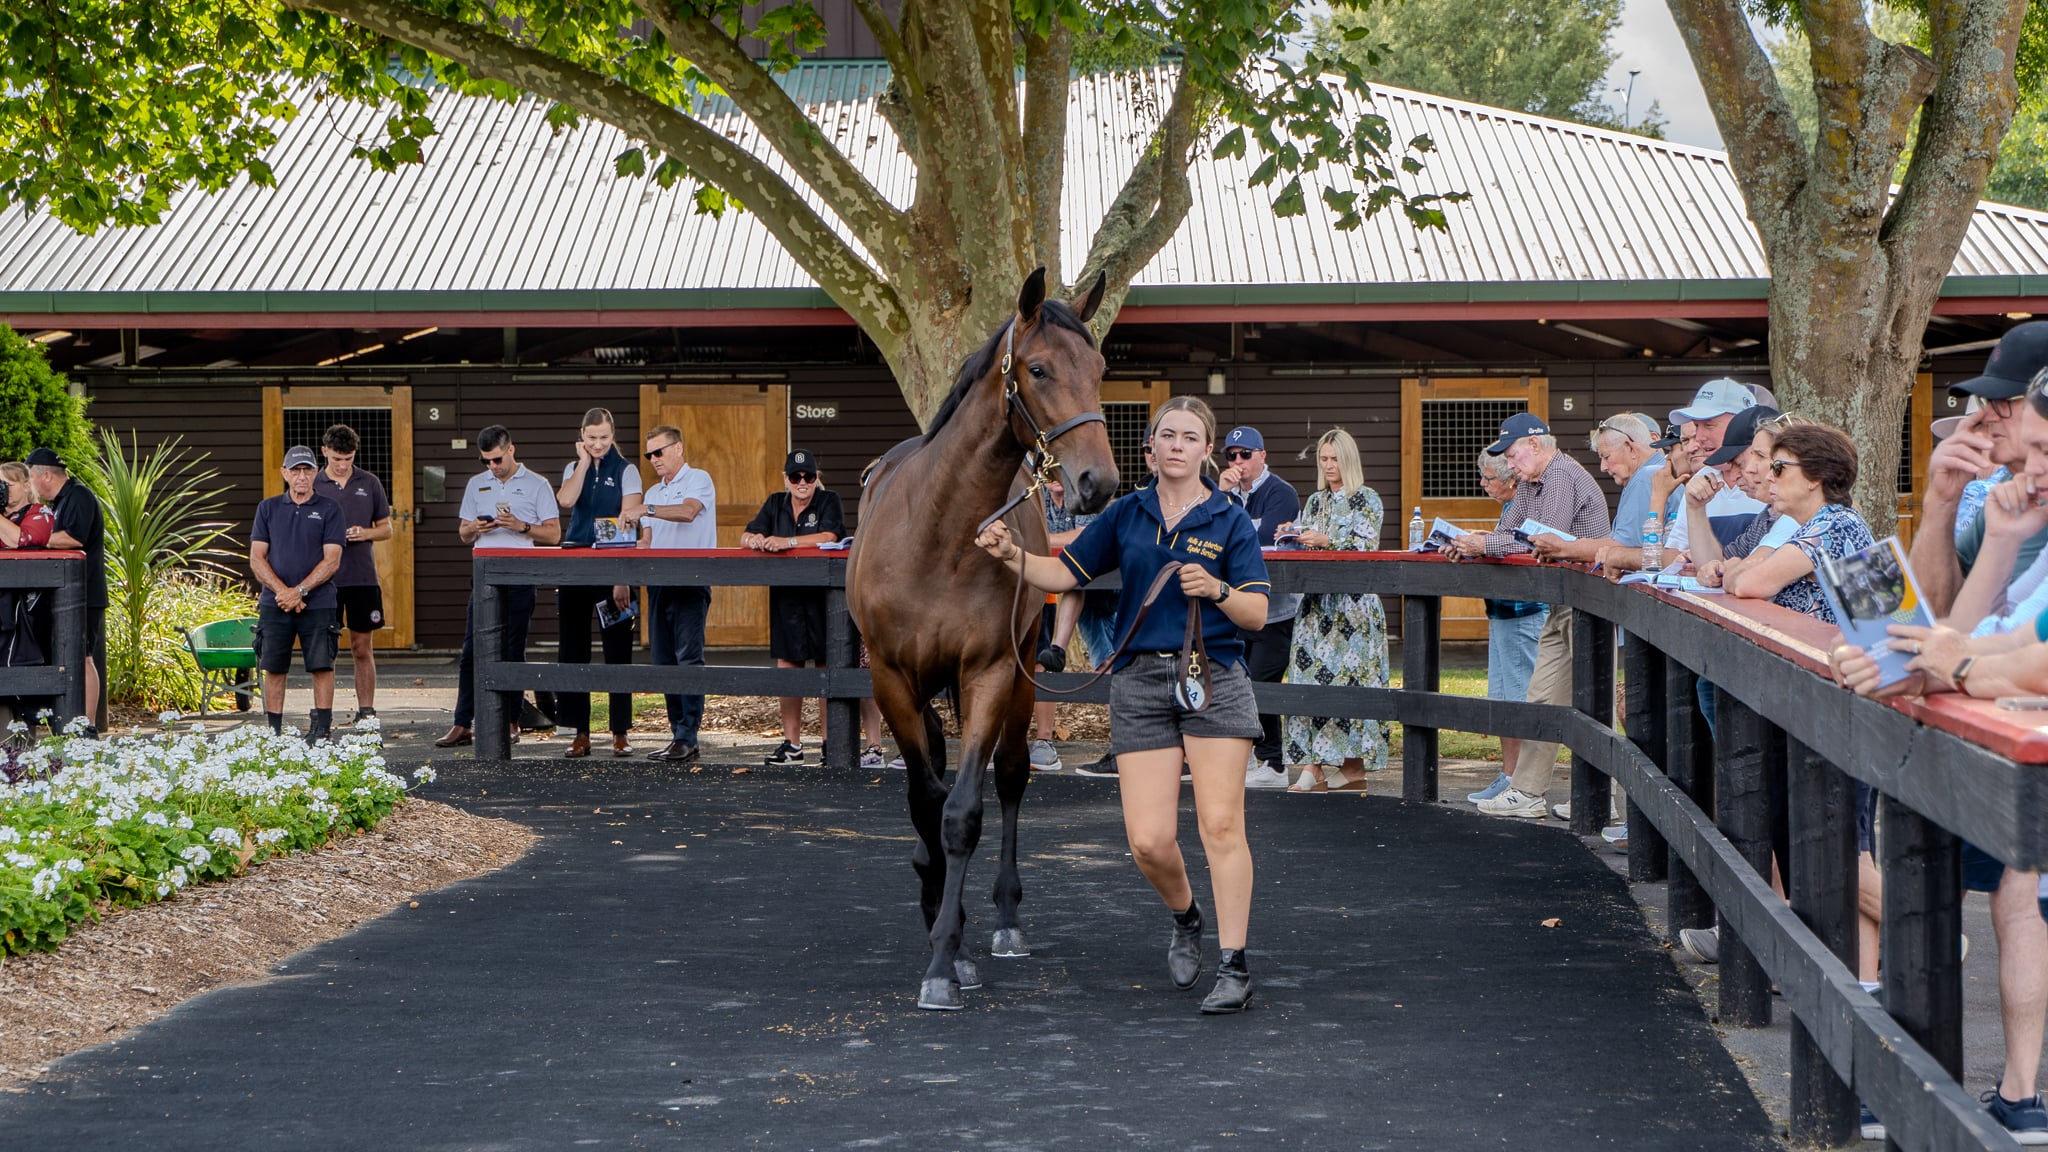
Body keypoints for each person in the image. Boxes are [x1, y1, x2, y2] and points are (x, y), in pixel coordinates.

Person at [973, 394, 1271, 1014]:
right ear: (1150, 449)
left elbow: (1258, 613)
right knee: (1149, 841)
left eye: (1191, 437)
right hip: (1139, 683)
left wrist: (1217, 589)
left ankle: (1235, 965)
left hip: (1212, 675)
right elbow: (1065, 576)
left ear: (1207, 450)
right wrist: (1009, 554)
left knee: (1220, 825)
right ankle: (1186, 916)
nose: (1179, 446)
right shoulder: (1127, 514)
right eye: (1168, 435)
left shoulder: (1230, 520)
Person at [1826, 385, 2048, 1144]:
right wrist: (1954, 513)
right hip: (1984, 725)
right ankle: (1958, 1088)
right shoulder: (2004, 503)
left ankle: (1981, 1088)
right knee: (1962, 889)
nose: (1981, 428)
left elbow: (2011, 659)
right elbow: (1968, 632)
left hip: (2014, 738)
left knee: (2002, 901)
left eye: (1994, 413)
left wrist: (1928, 666)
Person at [1446, 413, 1612, 818]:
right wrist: (1479, 542)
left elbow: (1542, 541)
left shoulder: (1558, 476)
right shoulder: (1535, 480)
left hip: (1587, 601)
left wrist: (1483, 543)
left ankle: (1599, 799)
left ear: (1536, 446)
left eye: (1514, 455)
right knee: (1539, 697)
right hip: (1561, 601)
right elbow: (1510, 531)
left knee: (1591, 704)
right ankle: (1527, 791)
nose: (1511, 465)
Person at [1914, 321, 2048, 618]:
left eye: (2003, 400)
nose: (1985, 415)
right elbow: (1933, 611)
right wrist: (1941, 500)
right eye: (1987, 401)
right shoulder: (2010, 492)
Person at [438, 426, 561, 748]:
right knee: (470, 651)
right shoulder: (476, 485)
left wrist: (521, 527)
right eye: (486, 461)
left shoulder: (537, 484)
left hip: (520, 573)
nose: (492, 467)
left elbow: (553, 534)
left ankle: (511, 720)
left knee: (512, 649)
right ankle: (462, 723)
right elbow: (463, 533)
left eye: (496, 459)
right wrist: (475, 527)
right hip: (484, 573)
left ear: (511, 450)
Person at [1276, 428, 1385, 793]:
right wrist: (1292, 536)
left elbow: (1366, 547)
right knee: (1310, 684)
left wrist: (1327, 540)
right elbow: (1307, 548)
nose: (1329, 465)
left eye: (1335, 458)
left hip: (1353, 608)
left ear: (1348, 460)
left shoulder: (1367, 499)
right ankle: (1314, 766)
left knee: (1352, 687)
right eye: (1323, 459)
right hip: (1316, 606)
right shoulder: (1315, 502)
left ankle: (1352, 768)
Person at [1706, 424, 1874, 622]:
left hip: (1837, 651)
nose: (1769, 476)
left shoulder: (1833, 526)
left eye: (1778, 468)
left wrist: (1740, 567)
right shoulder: (1824, 522)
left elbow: (1747, 585)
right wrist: (1747, 566)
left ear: (1815, 477)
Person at [743, 449, 846, 765]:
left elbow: (831, 534)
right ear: (785, 478)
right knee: (789, 666)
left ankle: (832, 744)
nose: (803, 482)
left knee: (825, 667)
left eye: (809, 476)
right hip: (787, 597)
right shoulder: (775, 503)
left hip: (822, 597)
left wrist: (786, 542)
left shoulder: (829, 501)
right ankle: (792, 744)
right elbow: (747, 533)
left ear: (817, 478)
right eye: (796, 476)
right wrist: (756, 541)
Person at [554, 407, 645, 758]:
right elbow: (566, 500)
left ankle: (620, 731)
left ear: (612, 434)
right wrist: (580, 463)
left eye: (604, 438)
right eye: (591, 438)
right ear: (582, 435)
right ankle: (579, 732)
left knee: (618, 650)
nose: (597, 444)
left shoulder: (627, 470)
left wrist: (622, 576)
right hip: (576, 566)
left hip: (614, 568)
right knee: (574, 648)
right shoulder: (572, 467)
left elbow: (630, 519)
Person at [622, 424, 714, 763]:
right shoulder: (652, 493)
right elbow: (647, 541)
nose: (653, 459)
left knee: (688, 658)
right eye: (649, 454)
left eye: (659, 452)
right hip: (659, 581)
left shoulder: (698, 479)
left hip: (690, 579)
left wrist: (645, 511)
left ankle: (688, 734)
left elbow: (689, 512)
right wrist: (628, 539)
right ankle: (679, 734)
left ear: (678, 448)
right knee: (663, 661)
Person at [1217, 426, 1302, 789]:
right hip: (1238, 606)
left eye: (1245, 454)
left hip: (1276, 607)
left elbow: (1261, 541)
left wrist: (1229, 511)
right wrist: (1222, 496)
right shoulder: (1224, 495)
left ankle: (1275, 762)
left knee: (1262, 682)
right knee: (1240, 682)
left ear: (1262, 456)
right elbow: (1210, 533)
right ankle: (1258, 757)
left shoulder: (1280, 492)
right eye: (1231, 456)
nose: (1238, 462)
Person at [1466, 449, 1548, 805]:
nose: (1483, 484)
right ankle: (1510, 775)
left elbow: (1524, 546)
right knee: (1501, 698)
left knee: (1519, 697)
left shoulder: (1532, 504)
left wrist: (1484, 543)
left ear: (1512, 477)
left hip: (1523, 611)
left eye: (1489, 478)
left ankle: (1524, 782)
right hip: (1502, 611)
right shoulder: (1510, 509)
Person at [248, 446, 347, 741]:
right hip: (274, 602)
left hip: (318, 602)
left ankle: (322, 729)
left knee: (321, 665)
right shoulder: (268, 508)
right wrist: (284, 593)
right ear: (284, 474)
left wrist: (300, 591)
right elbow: (256, 557)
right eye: (295, 470)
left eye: (307, 470)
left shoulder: (330, 509)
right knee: (274, 667)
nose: (301, 476)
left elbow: (332, 560)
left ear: (315, 472)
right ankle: (274, 732)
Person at [314, 424, 393, 725]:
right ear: (325, 452)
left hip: (362, 577)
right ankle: (323, 715)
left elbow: (387, 529)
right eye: (337, 459)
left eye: (348, 459)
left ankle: (367, 712)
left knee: (362, 646)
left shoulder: (370, 482)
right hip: (325, 579)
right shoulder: (314, 483)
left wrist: (365, 532)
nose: (343, 465)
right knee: (326, 649)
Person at [27, 447, 105, 733]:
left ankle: (88, 726)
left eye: (30, 478)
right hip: (68, 594)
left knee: (83, 657)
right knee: (67, 656)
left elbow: (73, 537)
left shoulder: (79, 496)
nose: (31, 486)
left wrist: (32, 537)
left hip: (85, 593)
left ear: (45, 475)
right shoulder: (61, 501)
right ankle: (68, 721)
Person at [1526, 412, 1664, 566]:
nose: (1603, 467)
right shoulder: (1653, 472)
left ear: (1629, 448)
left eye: (1606, 456)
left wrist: (1564, 547)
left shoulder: (1645, 477)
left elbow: (1624, 548)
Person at [1661, 379, 1766, 556]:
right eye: (1696, 426)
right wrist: (1682, 562)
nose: (1699, 436)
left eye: (1709, 425)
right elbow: (1672, 552)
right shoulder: (1703, 476)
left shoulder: (1771, 479)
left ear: (1742, 423)